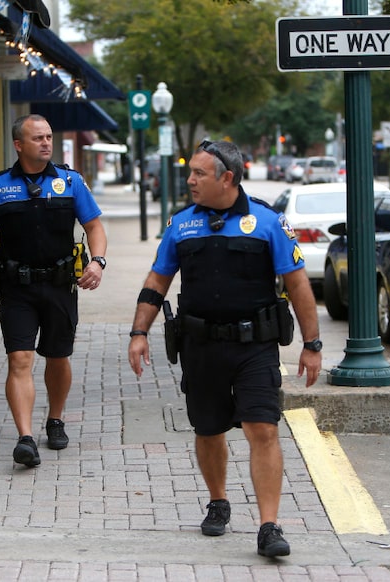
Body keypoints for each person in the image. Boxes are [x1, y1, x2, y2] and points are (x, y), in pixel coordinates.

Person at [127, 139, 321, 558]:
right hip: (201, 346)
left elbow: (298, 284)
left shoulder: (268, 223)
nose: (191, 180)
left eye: (199, 173)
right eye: (190, 172)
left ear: (226, 178)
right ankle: (218, 500)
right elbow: (157, 280)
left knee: (262, 429)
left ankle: (269, 525)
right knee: (208, 429)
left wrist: (312, 343)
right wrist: (138, 332)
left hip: (256, 347)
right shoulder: (181, 225)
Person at [0, 114, 107, 468]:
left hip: (59, 285)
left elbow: (94, 225)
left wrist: (97, 262)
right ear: (19, 145)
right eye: (37, 138)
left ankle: (55, 419)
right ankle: (25, 438)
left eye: (49, 137)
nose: (45, 143)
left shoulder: (70, 182)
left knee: (58, 357)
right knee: (19, 359)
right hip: (17, 288)